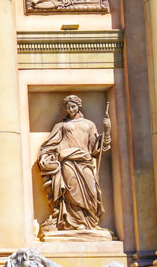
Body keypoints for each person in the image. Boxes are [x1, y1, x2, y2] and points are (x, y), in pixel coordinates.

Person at [37, 95, 111, 232]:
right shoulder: (62, 126)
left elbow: (96, 149)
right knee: (72, 191)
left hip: (85, 161)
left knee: (92, 192)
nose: (70, 109)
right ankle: (74, 223)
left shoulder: (89, 124)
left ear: (79, 106)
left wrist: (107, 131)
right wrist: (49, 157)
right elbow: (50, 145)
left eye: (73, 106)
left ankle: (89, 222)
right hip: (68, 161)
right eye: (68, 107)